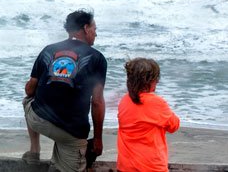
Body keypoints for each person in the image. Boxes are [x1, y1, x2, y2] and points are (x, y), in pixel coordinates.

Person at [23, 10, 107, 172]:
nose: (96, 34)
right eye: (95, 29)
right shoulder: (97, 58)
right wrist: (97, 139)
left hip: (38, 120)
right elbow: (97, 102)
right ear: (86, 28)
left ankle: (34, 150)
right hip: (70, 132)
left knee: (27, 100)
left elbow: (29, 89)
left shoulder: (48, 50)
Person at [117, 58, 180, 172]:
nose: (158, 82)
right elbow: (174, 126)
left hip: (125, 166)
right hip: (151, 166)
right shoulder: (157, 103)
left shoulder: (124, 101)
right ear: (148, 81)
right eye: (156, 78)